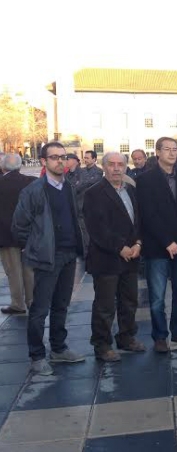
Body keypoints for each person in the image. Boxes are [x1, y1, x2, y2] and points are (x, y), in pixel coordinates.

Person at [12, 142, 86, 375]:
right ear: (43, 161)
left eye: (63, 157)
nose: (60, 161)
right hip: (47, 258)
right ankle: (36, 355)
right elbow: (19, 226)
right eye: (54, 157)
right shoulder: (33, 190)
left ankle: (58, 348)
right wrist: (35, 247)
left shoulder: (69, 188)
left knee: (61, 305)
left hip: (68, 254)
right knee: (39, 309)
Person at [84, 152, 146, 362]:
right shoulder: (94, 193)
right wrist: (121, 247)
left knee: (129, 301)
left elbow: (138, 220)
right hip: (107, 258)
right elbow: (98, 227)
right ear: (104, 167)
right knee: (105, 305)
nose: (117, 168)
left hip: (131, 256)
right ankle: (102, 345)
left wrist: (137, 243)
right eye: (112, 165)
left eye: (121, 164)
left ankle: (126, 337)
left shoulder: (130, 190)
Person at [136, 137, 177, 352]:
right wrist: (166, 242)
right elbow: (148, 215)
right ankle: (160, 336)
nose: (172, 153)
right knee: (157, 297)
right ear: (157, 152)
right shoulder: (145, 180)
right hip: (158, 248)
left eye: (175, 149)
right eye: (167, 149)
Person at [0, 153, 36, 314]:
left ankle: (18, 303)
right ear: (20, 166)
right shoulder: (32, 182)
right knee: (29, 269)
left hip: (6, 234)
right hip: (30, 233)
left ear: (3, 167)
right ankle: (32, 300)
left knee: (13, 270)